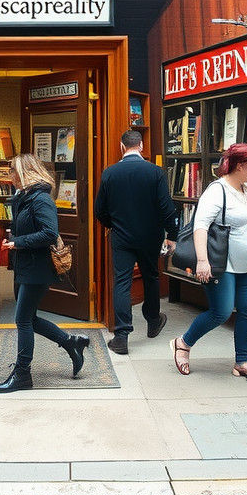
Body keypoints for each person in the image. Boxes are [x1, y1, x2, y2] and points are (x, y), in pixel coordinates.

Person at [169, 143, 247, 377]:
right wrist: (202, 261)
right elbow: (200, 226)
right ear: (239, 166)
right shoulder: (217, 191)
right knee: (221, 312)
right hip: (222, 265)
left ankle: (242, 362)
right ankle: (183, 343)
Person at [0, 154, 90, 392]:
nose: (10, 176)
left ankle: (23, 374)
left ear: (25, 173)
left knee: (22, 320)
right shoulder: (23, 197)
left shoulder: (41, 199)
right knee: (30, 318)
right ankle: (71, 343)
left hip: (38, 268)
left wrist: (18, 242)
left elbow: (49, 233)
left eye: (13, 171)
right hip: (24, 266)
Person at [94, 129, 179, 355]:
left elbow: (99, 210)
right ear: (141, 146)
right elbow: (167, 208)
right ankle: (153, 321)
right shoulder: (155, 172)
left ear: (122, 147)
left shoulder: (110, 173)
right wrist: (172, 234)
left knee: (122, 281)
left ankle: (121, 336)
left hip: (121, 236)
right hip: (150, 235)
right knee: (151, 276)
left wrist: (112, 224)